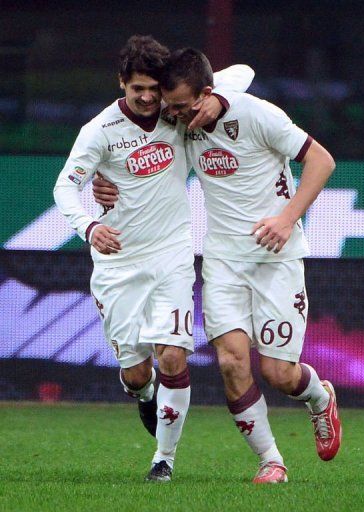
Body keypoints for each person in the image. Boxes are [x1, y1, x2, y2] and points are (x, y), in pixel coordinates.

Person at [53, 35, 254, 483]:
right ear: (121, 82)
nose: (146, 98)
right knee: (137, 372)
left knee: (173, 358)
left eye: (153, 89)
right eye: (136, 88)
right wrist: (90, 225)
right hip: (118, 265)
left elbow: (243, 73)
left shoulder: (174, 110)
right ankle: (143, 396)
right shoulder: (99, 131)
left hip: (172, 255)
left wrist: (216, 98)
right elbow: (64, 187)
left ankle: (163, 461)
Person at [158, 49, 342, 484]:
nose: (177, 116)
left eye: (184, 107)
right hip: (222, 259)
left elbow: (323, 161)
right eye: (172, 107)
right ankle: (270, 460)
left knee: (278, 373)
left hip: (277, 258)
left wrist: (286, 218)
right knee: (231, 362)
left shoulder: (258, 115)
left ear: (207, 93)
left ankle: (320, 397)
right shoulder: (179, 120)